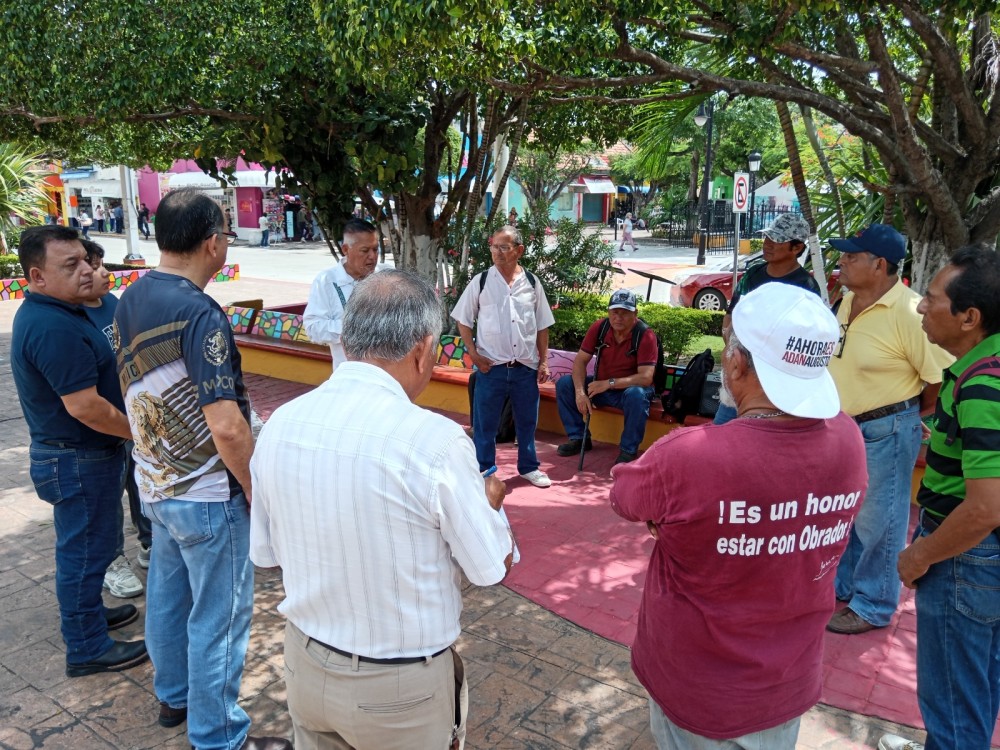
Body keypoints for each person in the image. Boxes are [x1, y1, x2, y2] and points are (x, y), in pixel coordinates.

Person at [251, 270, 513, 750]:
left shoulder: (281, 424)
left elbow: (266, 554)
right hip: (399, 691)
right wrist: (489, 504)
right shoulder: (434, 442)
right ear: (423, 348)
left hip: (306, 664)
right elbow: (490, 566)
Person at [611, 283, 867, 750]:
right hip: (786, 683)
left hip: (698, 686)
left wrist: (671, 519)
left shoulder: (689, 456)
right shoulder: (849, 438)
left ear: (736, 363)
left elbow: (626, 497)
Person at [113, 189, 289, 750]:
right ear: (213, 241)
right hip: (209, 495)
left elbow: (134, 389)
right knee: (220, 618)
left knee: (167, 598)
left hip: (155, 486)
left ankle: (176, 697)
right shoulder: (199, 312)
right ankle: (217, 737)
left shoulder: (130, 296)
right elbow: (229, 426)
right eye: (227, 236)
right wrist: (255, 490)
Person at [11, 226, 148, 677]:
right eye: (70, 266)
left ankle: (89, 616)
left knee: (95, 545)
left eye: (85, 261)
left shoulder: (68, 311)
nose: (86, 270)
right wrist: (138, 433)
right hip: (76, 456)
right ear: (37, 276)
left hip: (86, 455)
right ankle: (87, 647)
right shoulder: (52, 325)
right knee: (84, 553)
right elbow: (85, 407)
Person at [878, 246, 1000, 750]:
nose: (921, 307)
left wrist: (919, 555)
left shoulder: (981, 386)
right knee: (974, 689)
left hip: (963, 558)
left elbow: (985, 508)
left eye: (930, 298)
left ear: (969, 317)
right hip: (979, 558)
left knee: (952, 706)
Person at [825, 223, 952, 635]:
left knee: (880, 521)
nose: (841, 261)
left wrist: (909, 415)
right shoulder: (846, 301)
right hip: (844, 428)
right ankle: (844, 587)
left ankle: (874, 604)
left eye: (851, 256)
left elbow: (937, 377)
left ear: (879, 265)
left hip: (886, 428)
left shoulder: (909, 312)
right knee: (846, 515)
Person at [452, 225, 555, 488]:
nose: (497, 252)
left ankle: (529, 467)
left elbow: (542, 325)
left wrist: (543, 361)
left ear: (518, 250)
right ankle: (484, 469)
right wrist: (473, 354)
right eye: (494, 246)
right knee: (485, 424)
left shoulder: (531, 282)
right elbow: (463, 320)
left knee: (527, 423)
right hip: (491, 367)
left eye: (504, 247)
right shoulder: (482, 281)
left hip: (525, 367)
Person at [79, 240, 147, 600]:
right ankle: (111, 560)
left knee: (139, 485)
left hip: (129, 415)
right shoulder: (71, 317)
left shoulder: (111, 304)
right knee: (106, 499)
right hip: (104, 427)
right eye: (93, 265)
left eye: (102, 264)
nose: (103, 272)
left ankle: (148, 542)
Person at [714, 212, 822, 425]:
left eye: (777, 240)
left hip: (773, 384)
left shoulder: (806, 288)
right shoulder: (753, 274)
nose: (767, 244)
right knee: (720, 431)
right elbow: (731, 314)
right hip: (738, 372)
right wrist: (732, 348)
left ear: (797, 248)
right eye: (767, 238)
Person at [555, 289, 655, 464]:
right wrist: (580, 393)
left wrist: (608, 383)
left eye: (625, 313)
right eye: (615, 312)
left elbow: (646, 378)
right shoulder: (600, 327)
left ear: (635, 314)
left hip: (628, 391)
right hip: (601, 386)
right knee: (565, 384)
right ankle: (579, 438)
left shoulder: (645, 335)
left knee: (637, 395)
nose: (619, 317)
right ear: (608, 312)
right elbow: (580, 361)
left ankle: (628, 450)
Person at [303, 218, 385, 369]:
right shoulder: (326, 281)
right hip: (349, 375)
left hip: (388, 375)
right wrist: (352, 328)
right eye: (365, 250)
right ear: (345, 250)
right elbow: (313, 328)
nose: (373, 256)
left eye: (376, 249)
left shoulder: (388, 276)